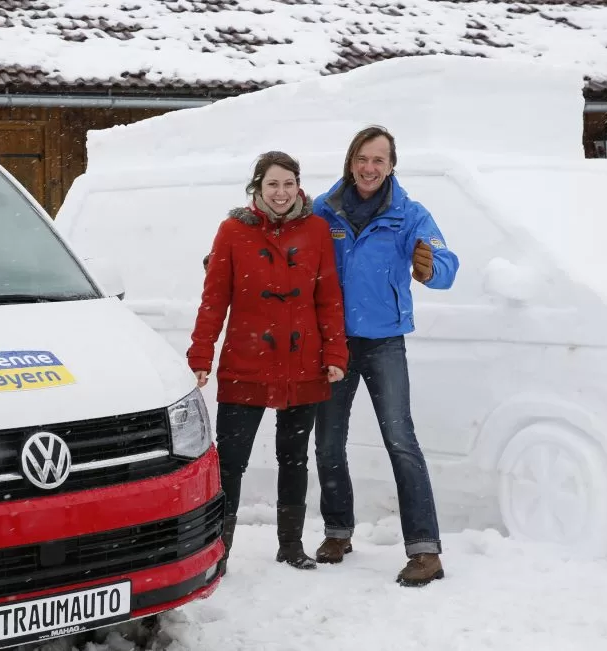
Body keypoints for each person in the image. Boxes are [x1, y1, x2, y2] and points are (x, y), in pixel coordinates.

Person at [311, 126, 459, 587]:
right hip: (333, 340)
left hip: (384, 340)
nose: (369, 168)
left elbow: (445, 263)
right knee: (329, 441)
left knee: (400, 439)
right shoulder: (324, 209)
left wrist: (432, 268)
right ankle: (337, 532)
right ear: (350, 161)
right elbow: (285, 241)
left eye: (379, 160)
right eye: (362, 158)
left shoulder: (409, 215)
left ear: (392, 165)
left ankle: (425, 550)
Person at [188, 150, 349, 573]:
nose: (281, 192)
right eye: (273, 184)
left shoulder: (316, 230)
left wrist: (334, 353)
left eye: (289, 183)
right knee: (231, 460)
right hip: (246, 362)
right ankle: (217, 549)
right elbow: (214, 299)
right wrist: (201, 353)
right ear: (257, 187)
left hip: (302, 364)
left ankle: (290, 545)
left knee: (294, 457)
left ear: (299, 186)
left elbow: (329, 298)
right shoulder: (231, 231)